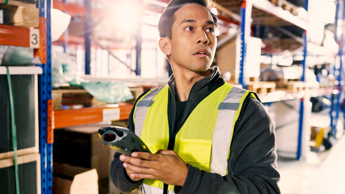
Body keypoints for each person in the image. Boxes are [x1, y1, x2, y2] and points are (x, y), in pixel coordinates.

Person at [110, 0, 280, 193]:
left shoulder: (244, 109)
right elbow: (119, 173)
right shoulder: (145, 104)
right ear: (166, 45)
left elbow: (264, 189)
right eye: (190, 28)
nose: (203, 38)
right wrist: (129, 173)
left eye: (209, 30)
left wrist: (186, 178)